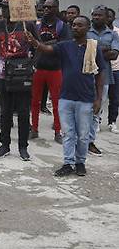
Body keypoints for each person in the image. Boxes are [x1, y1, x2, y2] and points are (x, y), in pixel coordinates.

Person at [27, 16, 107, 177]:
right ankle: (68, 163)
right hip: (66, 98)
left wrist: (98, 98)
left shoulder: (93, 47)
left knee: (83, 135)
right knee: (68, 133)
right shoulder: (64, 46)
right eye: (73, 25)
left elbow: (100, 74)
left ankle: (80, 162)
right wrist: (35, 43)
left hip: (86, 98)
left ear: (87, 28)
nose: (75, 27)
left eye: (79, 25)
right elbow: (46, 49)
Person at [0, 0, 39, 161]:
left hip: (22, 71)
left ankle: (23, 146)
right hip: (3, 72)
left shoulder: (27, 25)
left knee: (23, 111)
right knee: (5, 111)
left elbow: (38, 46)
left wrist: (33, 64)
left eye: (8, 8)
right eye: (3, 8)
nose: (5, 11)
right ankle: (4, 145)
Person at [30, 0, 71, 143]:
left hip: (55, 69)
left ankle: (58, 132)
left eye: (50, 7)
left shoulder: (62, 26)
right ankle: (34, 129)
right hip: (38, 67)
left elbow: (64, 45)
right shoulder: (37, 24)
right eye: (45, 7)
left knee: (57, 102)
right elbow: (31, 43)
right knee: (34, 101)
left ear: (57, 9)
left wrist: (41, 44)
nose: (46, 10)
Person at [86, 5, 119, 155]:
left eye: (100, 15)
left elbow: (114, 55)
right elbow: (81, 51)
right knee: (82, 109)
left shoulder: (113, 35)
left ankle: (90, 142)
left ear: (107, 18)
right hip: (85, 75)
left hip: (104, 76)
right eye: (95, 15)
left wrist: (93, 50)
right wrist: (104, 49)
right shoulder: (86, 32)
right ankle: (79, 140)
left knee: (96, 111)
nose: (97, 18)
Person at [108, 10, 119, 133]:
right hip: (102, 69)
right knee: (100, 98)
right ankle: (97, 121)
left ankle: (112, 121)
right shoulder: (97, 33)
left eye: (110, 16)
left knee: (115, 98)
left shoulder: (117, 32)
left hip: (116, 69)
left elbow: (115, 53)